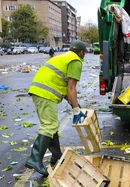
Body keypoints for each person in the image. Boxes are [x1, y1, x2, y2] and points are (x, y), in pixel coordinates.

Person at [25, 40, 87, 177]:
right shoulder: (76, 61)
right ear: (81, 52)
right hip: (45, 94)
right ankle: (34, 159)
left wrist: (73, 104)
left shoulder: (63, 57)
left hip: (39, 90)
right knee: (50, 126)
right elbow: (71, 87)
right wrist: (76, 109)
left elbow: (64, 89)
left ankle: (56, 155)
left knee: (52, 125)